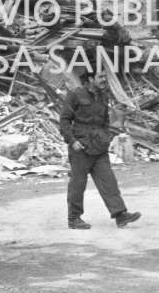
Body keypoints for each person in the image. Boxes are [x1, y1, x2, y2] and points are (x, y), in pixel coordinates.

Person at [59, 67, 141, 230]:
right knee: (78, 184)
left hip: (99, 146)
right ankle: (74, 218)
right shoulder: (75, 95)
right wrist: (72, 141)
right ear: (90, 79)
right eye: (100, 77)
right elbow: (64, 121)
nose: (104, 80)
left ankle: (120, 215)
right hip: (80, 147)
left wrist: (107, 136)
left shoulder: (103, 96)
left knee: (109, 181)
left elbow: (105, 121)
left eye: (105, 77)